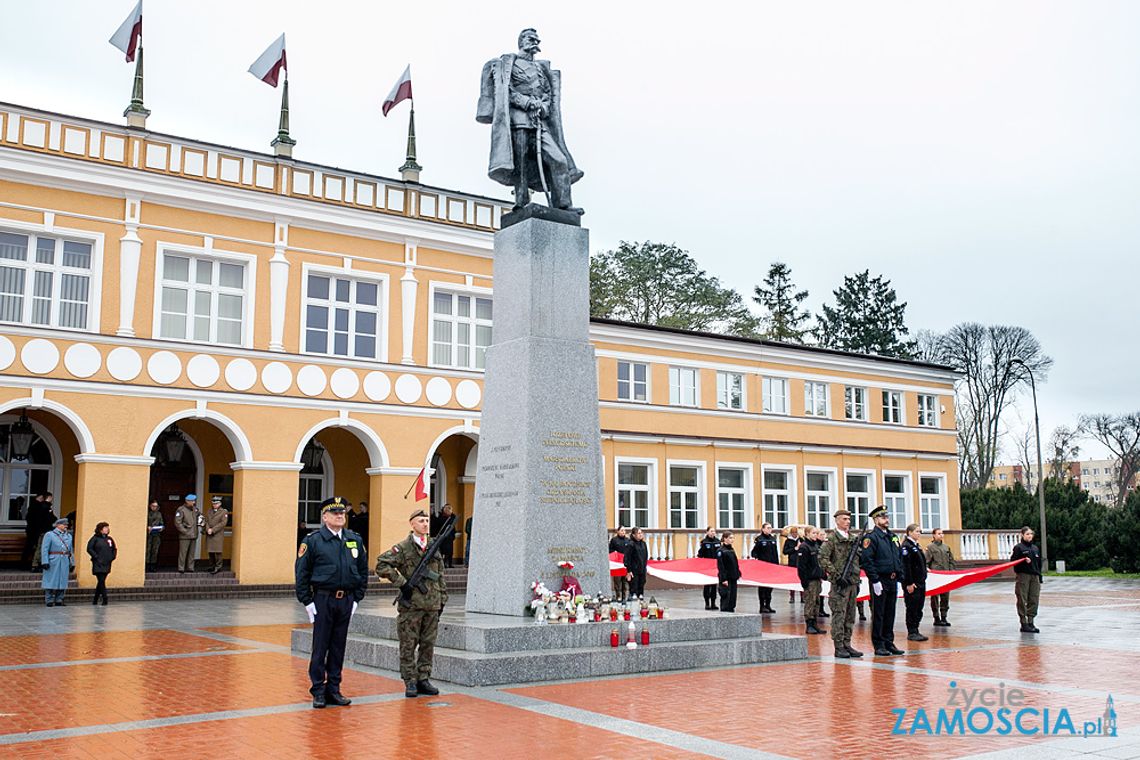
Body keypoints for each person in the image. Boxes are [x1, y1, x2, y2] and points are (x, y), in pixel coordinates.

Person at [477, 28, 584, 213]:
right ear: (522, 41)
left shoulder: (541, 69)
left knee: (559, 160)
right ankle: (521, 202)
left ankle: (563, 204)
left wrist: (543, 106)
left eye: (537, 39)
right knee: (521, 164)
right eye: (531, 38)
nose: (535, 42)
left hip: (539, 123)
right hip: (519, 121)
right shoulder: (509, 64)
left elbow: (548, 94)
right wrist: (527, 103)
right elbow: (505, 90)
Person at [295, 496, 369, 708]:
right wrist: (307, 601)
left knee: (338, 646)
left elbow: (362, 570)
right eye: (335, 513)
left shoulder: (354, 539)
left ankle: (334, 689)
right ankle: (318, 689)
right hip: (322, 599)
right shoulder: (313, 540)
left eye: (342, 513)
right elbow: (302, 573)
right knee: (321, 647)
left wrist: (357, 597)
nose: (340, 516)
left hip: (345, 599)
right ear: (324, 516)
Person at [375, 508, 448, 699]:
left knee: (428, 644)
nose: (425, 524)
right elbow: (381, 564)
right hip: (411, 606)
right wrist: (402, 583)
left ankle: (424, 678)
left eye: (426, 520)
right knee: (408, 645)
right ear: (412, 524)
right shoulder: (403, 548)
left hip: (432, 604)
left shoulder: (433, 546)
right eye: (421, 521)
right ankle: (410, 680)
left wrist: (443, 599)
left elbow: (440, 575)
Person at [862, 505, 905, 657]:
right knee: (879, 613)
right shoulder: (871, 538)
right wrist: (875, 580)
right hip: (880, 580)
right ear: (875, 520)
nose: (886, 519)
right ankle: (879, 643)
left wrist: (900, 575)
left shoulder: (892, 536)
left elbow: (898, 557)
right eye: (882, 517)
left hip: (892, 580)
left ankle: (888, 641)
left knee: (890, 612)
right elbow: (867, 560)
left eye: (887, 517)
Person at [819, 509, 863, 658]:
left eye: (849, 519)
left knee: (850, 614)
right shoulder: (831, 539)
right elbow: (823, 558)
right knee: (839, 614)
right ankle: (838, 646)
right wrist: (837, 576)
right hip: (839, 584)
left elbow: (859, 559)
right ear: (837, 521)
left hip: (852, 582)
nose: (848, 521)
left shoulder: (854, 538)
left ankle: (847, 643)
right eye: (844, 519)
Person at [1011, 526, 1043, 633]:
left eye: (1031, 534)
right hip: (1023, 576)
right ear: (1022, 535)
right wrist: (1023, 561)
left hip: (1035, 576)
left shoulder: (1035, 548)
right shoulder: (1019, 548)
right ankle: (1023, 623)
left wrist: (1040, 577)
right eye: (1027, 534)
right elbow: (1014, 563)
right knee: (1022, 598)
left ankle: (1031, 621)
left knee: (1034, 598)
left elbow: (1038, 564)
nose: (1030, 536)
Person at [901, 524, 929, 642]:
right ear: (910, 532)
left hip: (920, 582)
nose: (919, 533)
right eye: (917, 531)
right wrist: (909, 583)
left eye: (920, 531)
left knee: (919, 607)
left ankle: (916, 629)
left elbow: (919, 563)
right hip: (913, 583)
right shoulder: (906, 547)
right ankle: (912, 631)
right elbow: (906, 566)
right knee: (912, 607)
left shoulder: (915, 545)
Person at [797, 527, 827, 634]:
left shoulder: (815, 545)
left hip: (817, 579)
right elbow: (801, 567)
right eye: (813, 533)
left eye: (816, 533)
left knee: (817, 602)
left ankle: (815, 624)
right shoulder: (804, 547)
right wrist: (804, 581)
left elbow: (818, 564)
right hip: (809, 580)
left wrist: (823, 575)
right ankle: (809, 625)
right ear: (807, 534)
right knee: (810, 602)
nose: (815, 535)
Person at [924, 527, 956, 626]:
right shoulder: (930, 547)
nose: (941, 535)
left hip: (946, 575)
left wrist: (952, 571)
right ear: (933, 535)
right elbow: (926, 562)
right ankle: (936, 617)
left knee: (945, 597)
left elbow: (951, 560)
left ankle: (944, 617)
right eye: (938, 533)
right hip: (936, 576)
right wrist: (927, 570)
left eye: (942, 533)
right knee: (934, 598)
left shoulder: (946, 547)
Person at [40, 517, 73, 607]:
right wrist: (44, 561)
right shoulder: (50, 535)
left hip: (64, 560)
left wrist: (72, 562)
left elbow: (70, 550)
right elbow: (45, 549)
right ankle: (49, 599)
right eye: (64, 524)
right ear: (58, 525)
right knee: (50, 580)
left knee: (62, 580)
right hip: (53, 560)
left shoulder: (68, 536)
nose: (66, 526)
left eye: (66, 525)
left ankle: (59, 599)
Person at [750, 522, 780, 613]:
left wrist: (777, 565)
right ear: (763, 529)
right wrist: (756, 558)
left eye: (770, 528)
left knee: (770, 587)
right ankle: (762, 606)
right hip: (763, 567)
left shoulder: (773, 539)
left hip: (772, 566)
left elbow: (775, 553)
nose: (769, 530)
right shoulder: (759, 539)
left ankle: (768, 605)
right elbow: (754, 552)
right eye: (767, 528)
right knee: (762, 587)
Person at [86, 521, 117, 605]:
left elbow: (114, 549)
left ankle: (95, 599)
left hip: (107, 562)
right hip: (98, 563)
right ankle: (105, 598)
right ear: (100, 530)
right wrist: (96, 557)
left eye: (107, 528)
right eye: (105, 528)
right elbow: (89, 548)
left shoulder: (109, 539)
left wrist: (112, 556)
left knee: (101, 581)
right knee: (101, 580)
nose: (107, 529)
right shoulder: (95, 538)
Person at [174, 494, 201, 574]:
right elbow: (177, 522)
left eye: (194, 501)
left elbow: (200, 517)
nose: (194, 502)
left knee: (192, 553)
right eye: (192, 501)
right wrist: (184, 531)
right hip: (185, 535)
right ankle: (181, 567)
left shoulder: (195, 509)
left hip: (194, 534)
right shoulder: (181, 509)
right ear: (187, 501)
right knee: (183, 552)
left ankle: (190, 567)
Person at [697, 526, 721, 610]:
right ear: (707, 532)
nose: (713, 533)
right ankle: (707, 603)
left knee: (714, 585)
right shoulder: (704, 542)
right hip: (706, 567)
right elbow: (700, 555)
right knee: (707, 585)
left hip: (715, 567)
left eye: (714, 531)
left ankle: (713, 603)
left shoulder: (717, 541)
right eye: (711, 531)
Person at [716, 531, 741, 612]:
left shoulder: (731, 550)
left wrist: (738, 573)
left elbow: (734, 563)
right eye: (730, 538)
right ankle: (725, 612)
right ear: (725, 539)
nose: (732, 540)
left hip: (733, 576)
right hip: (726, 578)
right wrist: (723, 579)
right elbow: (721, 566)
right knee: (726, 597)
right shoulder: (721, 551)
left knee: (733, 597)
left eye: (733, 538)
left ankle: (731, 609)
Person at [204, 496, 228, 574]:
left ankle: (218, 567)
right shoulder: (209, 511)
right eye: (213, 503)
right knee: (210, 551)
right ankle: (212, 566)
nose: (214, 505)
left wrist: (213, 530)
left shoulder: (223, 512)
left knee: (218, 552)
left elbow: (223, 523)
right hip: (209, 533)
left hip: (217, 534)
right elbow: (206, 521)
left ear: (220, 503)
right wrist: (207, 529)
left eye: (216, 503)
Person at [623, 527, 649, 600]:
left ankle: (641, 603)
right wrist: (629, 571)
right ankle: (632, 604)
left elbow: (645, 556)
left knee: (641, 586)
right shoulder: (631, 544)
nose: (640, 535)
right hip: (633, 571)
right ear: (634, 535)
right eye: (638, 533)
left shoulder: (643, 544)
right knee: (634, 588)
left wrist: (644, 567)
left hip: (642, 569)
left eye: (641, 533)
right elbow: (627, 558)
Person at [608, 526, 631, 602]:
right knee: (617, 581)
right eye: (621, 530)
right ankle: (618, 596)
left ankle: (624, 597)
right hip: (617, 564)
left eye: (624, 530)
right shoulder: (614, 540)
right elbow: (610, 550)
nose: (623, 532)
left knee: (625, 581)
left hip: (625, 564)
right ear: (618, 532)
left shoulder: (628, 540)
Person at [783, 526, 803, 604]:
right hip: (792, 563)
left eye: (796, 533)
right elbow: (785, 551)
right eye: (793, 533)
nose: (795, 534)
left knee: (801, 579)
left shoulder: (801, 540)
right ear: (791, 533)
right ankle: (792, 596)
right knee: (792, 580)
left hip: (800, 562)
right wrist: (795, 548)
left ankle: (802, 596)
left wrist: (800, 546)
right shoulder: (788, 541)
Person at [434, 504, 457, 568]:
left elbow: (453, 526)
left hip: (448, 537)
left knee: (449, 551)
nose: (450, 512)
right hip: (444, 537)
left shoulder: (450, 518)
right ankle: (445, 564)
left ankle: (448, 563)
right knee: (444, 551)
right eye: (449, 510)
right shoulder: (442, 518)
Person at [145, 499, 163, 571]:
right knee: (148, 549)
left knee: (155, 550)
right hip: (148, 534)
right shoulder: (147, 513)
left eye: (156, 506)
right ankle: (147, 565)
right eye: (153, 506)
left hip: (156, 534)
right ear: (150, 506)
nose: (154, 508)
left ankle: (153, 565)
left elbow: (161, 522)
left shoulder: (159, 514)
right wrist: (147, 527)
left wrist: (162, 527)